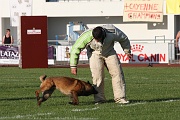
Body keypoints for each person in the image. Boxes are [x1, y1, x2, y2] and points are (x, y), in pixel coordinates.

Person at [70, 24, 131, 104]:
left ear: (103, 35)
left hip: (109, 51)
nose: (97, 41)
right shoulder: (86, 36)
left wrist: (127, 51)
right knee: (97, 76)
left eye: (98, 39)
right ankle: (99, 99)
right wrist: (73, 65)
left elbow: (124, 39)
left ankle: (120, 98)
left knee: (117, 73)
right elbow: (75, 49)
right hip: (94, 53)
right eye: (95, 39)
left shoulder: (112, 31)